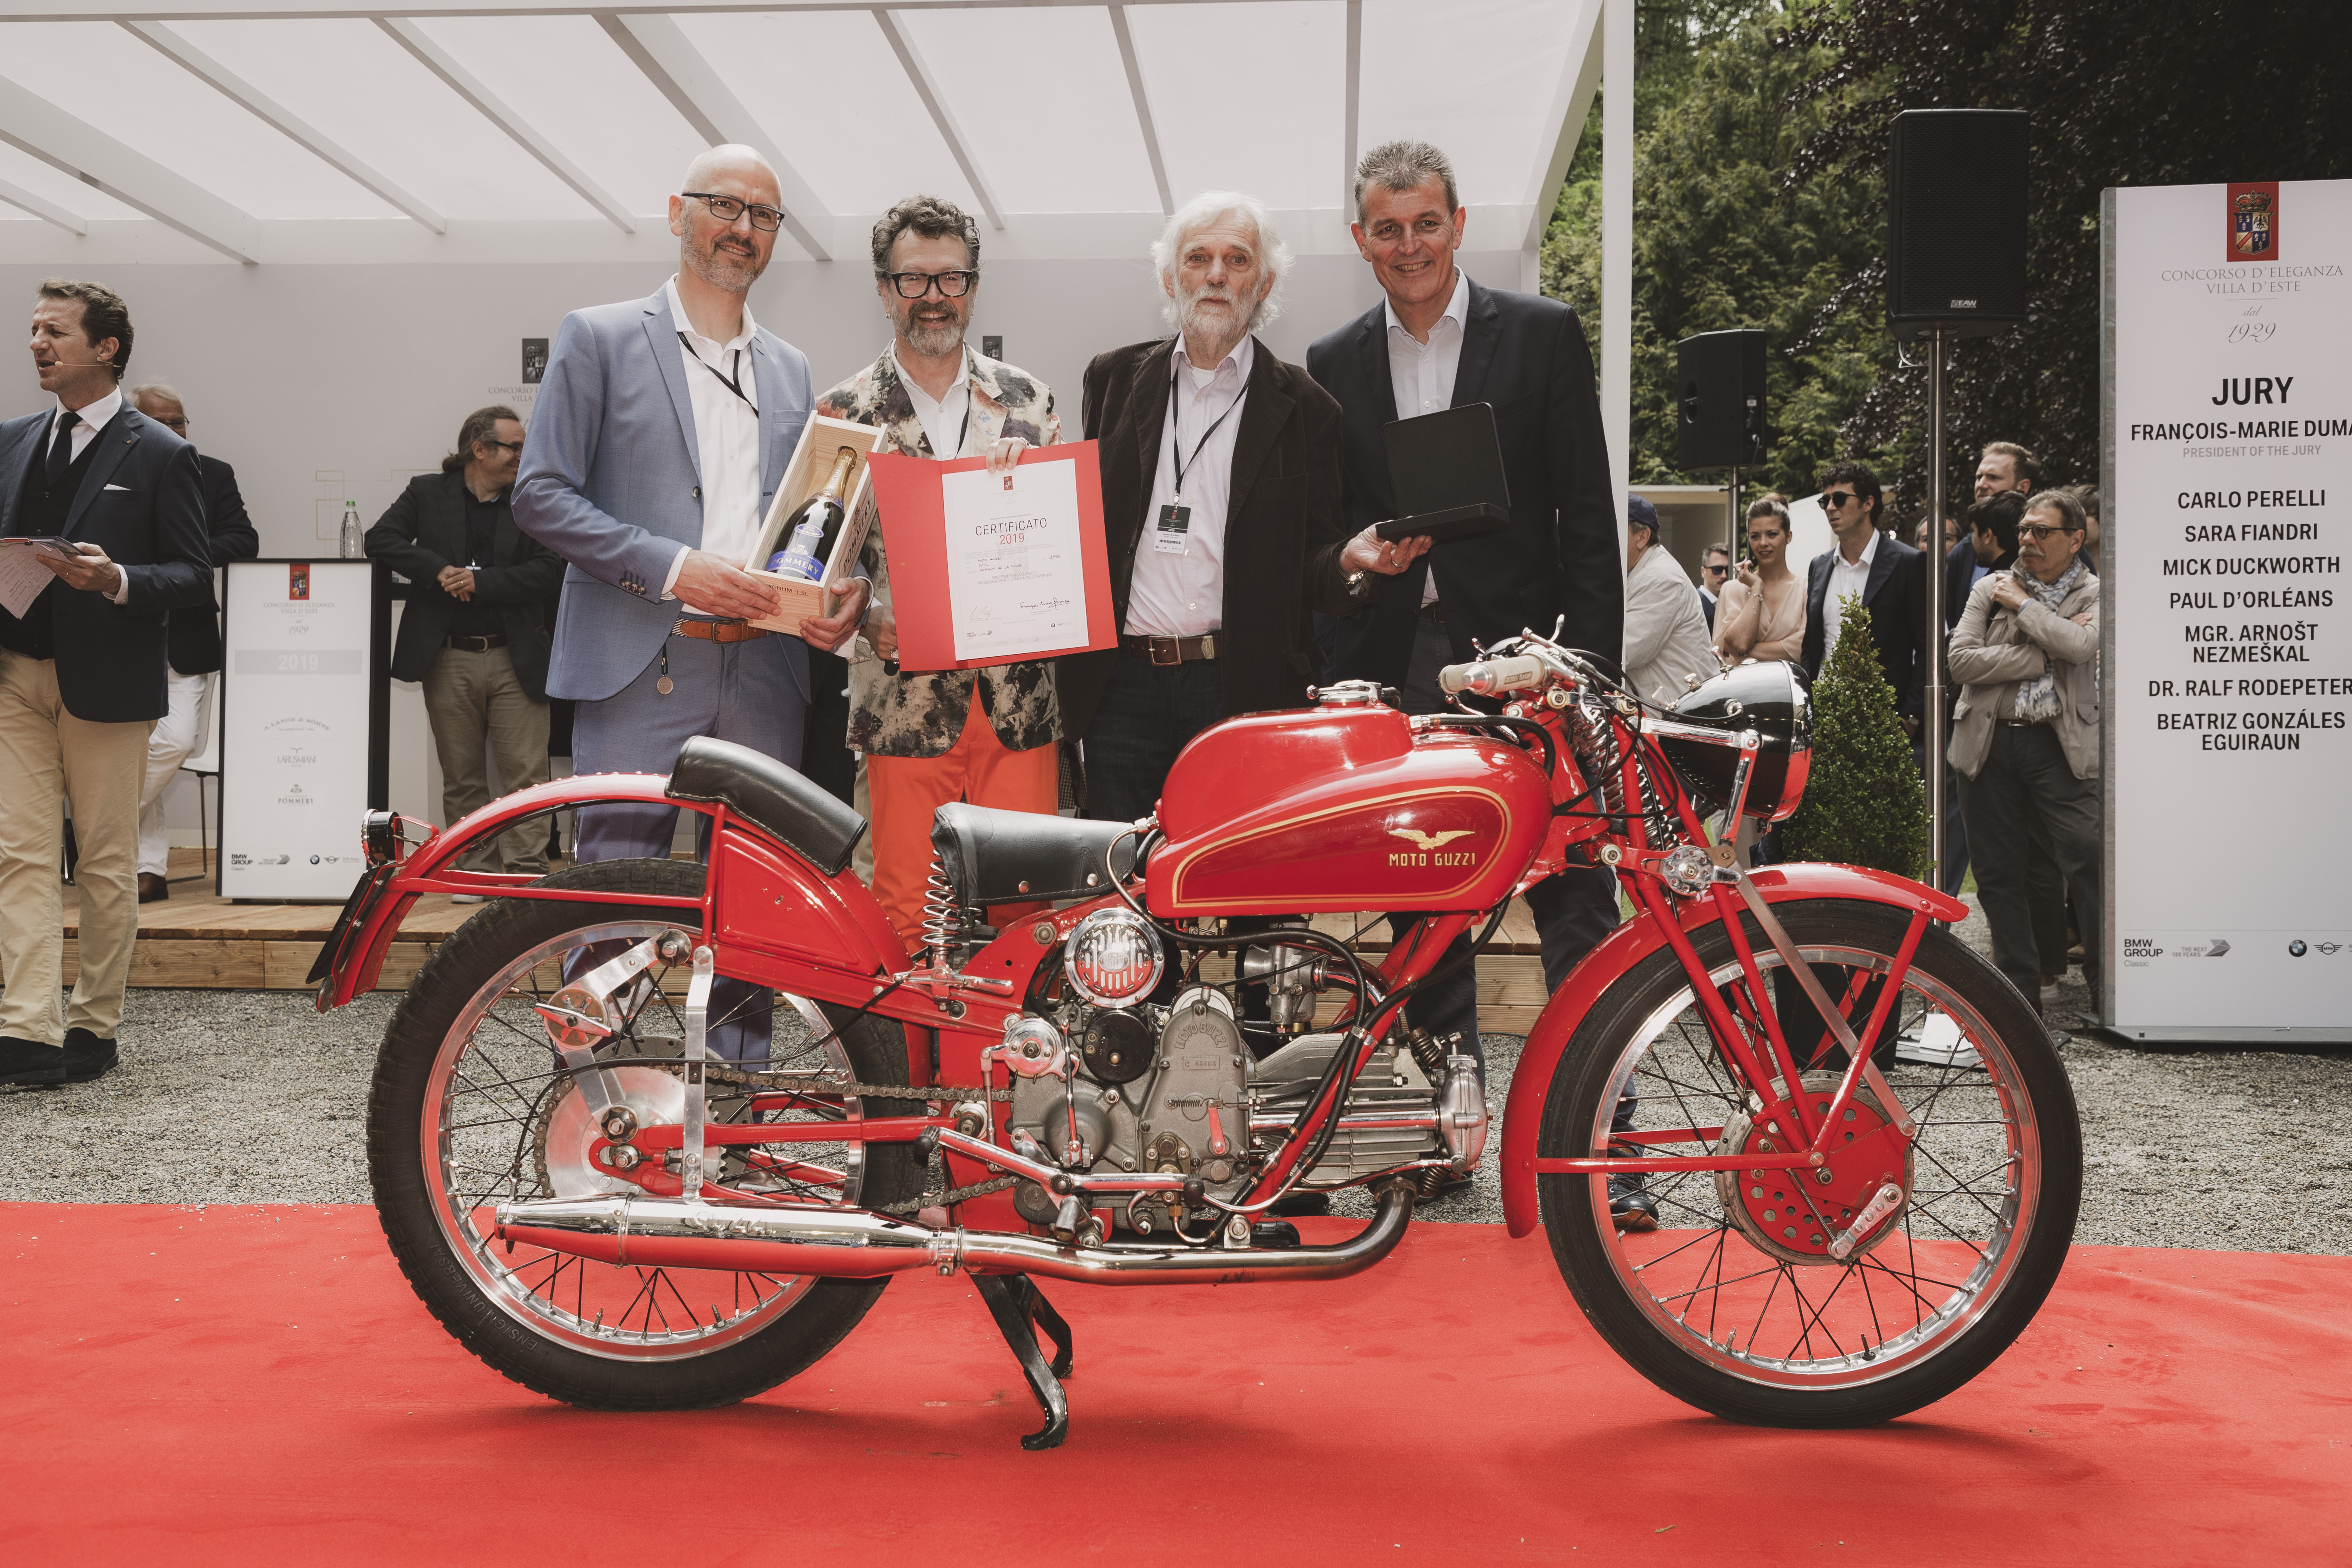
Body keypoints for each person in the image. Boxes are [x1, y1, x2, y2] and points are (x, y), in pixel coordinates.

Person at [514, 147, 868, 1063]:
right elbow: (540, 495)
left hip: (765, 667)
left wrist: (835, 593)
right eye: (724, 205)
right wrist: (675, 568)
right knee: (613, 897)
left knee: (751, 905)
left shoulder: (790, 368)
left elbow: (802, 519)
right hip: (642, 655)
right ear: (678, 213)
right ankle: (593, 1099)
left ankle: (734, 1100)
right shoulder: (597, 336)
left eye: (764, 215)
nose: (743, 228)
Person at [1306, 140, 1623, 1095]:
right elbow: (1331, 532)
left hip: (1529, 661)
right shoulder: (1333, 361)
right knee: (1425, 893)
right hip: (1404, 661)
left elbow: (1586, 516)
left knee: (1572, 891)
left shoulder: (1540, 333)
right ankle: (1453, 1112)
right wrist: (1360, 562)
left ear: (1458, 225)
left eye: (1426, 224)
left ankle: (1601, 1116)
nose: (1410, 246)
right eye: (1388, 229)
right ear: (1360, 238)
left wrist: (1587, 669)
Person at [1060, 190, 1419, 827]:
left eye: (1237, 259)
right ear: (1170, 278)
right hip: (1122, 692)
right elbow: (1084, 527)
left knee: (1239, 875)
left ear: (1264, 284)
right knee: (1123, 872)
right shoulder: (1111, 380)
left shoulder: (1308, 407)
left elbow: (1312, 565)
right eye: (1198, 258)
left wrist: (1347, 562)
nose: (1217, 275)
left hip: (1242, 688)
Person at [815, 195, 1064, 949]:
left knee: (1028, 914)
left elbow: (1059, 548)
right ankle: (914, 1037)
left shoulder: (1030, 401)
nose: (933, 296)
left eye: (950, 278)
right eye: (913, 279)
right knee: (902, 914)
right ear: (883, 288)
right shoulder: (842, 413)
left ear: (973, 286)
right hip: (902, 700)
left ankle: (1014, 1034)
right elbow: (821, 570)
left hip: (1016, 701)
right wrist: (862, 618)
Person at [0, 280, 211, 1087]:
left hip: (109, 683)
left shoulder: (160, 452)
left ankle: (94, 1022)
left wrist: (115, 578)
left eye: (55, 331)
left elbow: (193, 574)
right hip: (14, 674)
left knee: (103, 860)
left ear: (106, 346)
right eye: (33, 330)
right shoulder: (12, 440)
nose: (37, 343)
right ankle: (26, 1028)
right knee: (19, 855)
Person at [367, 406, 565, 894]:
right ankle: (474, 874)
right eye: (514, 447)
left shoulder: (533, 498)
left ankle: (526, 876)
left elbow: (551, 569)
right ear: (479, 450)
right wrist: (437, 570)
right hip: (448, 657)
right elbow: (380, 539)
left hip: (517, 657)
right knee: (462, 776)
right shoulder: (426, 493)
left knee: (527, 777)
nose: (523, 456)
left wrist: (481, 583)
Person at [1949, 489, 2102, 1022]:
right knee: (1997, 875)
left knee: (2087, 859)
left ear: (2075, 540)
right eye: (2024, 530)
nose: (2028, 540)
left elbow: (2080, 648)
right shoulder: (1989, 586)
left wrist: (2022, 605)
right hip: (1988, 741)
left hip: (2060, 745)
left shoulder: (2095, 592)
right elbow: (1961, 662)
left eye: (2042, 531)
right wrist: (2041, 653)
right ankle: (2020, 1000)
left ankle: (2107, 990)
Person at [124, 381, 258, 904]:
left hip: (187, 633)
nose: (172, 430)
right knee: (131, 747)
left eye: (178, 421)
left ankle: (94, 821)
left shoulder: (213, 473)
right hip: (119, 629)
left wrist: (181, 556)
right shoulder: (111, 470)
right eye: (159, 421)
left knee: (175, 741)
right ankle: (147, 869)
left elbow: (243, 540)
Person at [1801, 462, 1929, 729]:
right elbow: (1812, 646)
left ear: (1868, 503)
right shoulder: (1819, 566)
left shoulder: (1908, 563)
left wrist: (1910, 716)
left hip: (1882, 721)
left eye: (1839, 499)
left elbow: (1927, 649)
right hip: (1825, 717)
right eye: (1825, 501)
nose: (1830, 507)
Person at [1623, 495, 1718, 704]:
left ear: (1642, 537)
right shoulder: (1643, 572)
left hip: (1676, 713)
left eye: (1616, 528)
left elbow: (1625, 652)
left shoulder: (1661, 579)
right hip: (1667, 709)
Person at [1715, 493, 1803, 665]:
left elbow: (1804, 648)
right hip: (1743, 683)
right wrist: (1756, 587)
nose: (1763, 543)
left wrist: (1744, 653)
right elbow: (1739, 643)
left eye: (1772, 534)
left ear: (1789, 536)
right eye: (1755, 536)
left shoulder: (1806, 589)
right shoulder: (1733, 589)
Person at [1698, 543, 1731, 632]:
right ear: (1703, 572)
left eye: (1728, 570)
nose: (1724, 576)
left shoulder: (1732, 603)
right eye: (1717, 569)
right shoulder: (1695, 603)